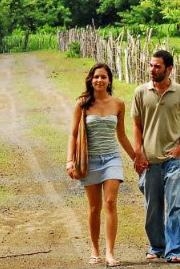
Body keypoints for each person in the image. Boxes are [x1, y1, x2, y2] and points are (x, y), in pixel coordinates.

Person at [66, 62, 135, 267]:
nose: (99, 80)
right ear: (90, 79)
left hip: (112, 158)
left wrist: (135, 158)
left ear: (109, 80)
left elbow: (121, 135)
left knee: (111, 203)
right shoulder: (82, 104)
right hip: (89, 160)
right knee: (95, 207)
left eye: (103, 77)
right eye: (96, 77)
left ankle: (110, 253)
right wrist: (70, 161)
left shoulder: (119, 104)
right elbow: (73, 135)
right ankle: (95, 249)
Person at [132, 49, 180, 263]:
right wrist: (138, 152)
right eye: (150, 65)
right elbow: (137, 125)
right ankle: (157, 247)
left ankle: (174, 251)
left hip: (174, 160)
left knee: (175, 205)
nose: (152, 70)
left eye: (157, 66)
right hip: (150, 161)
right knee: (153, 207)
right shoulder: (141, 92)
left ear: (169, 69)